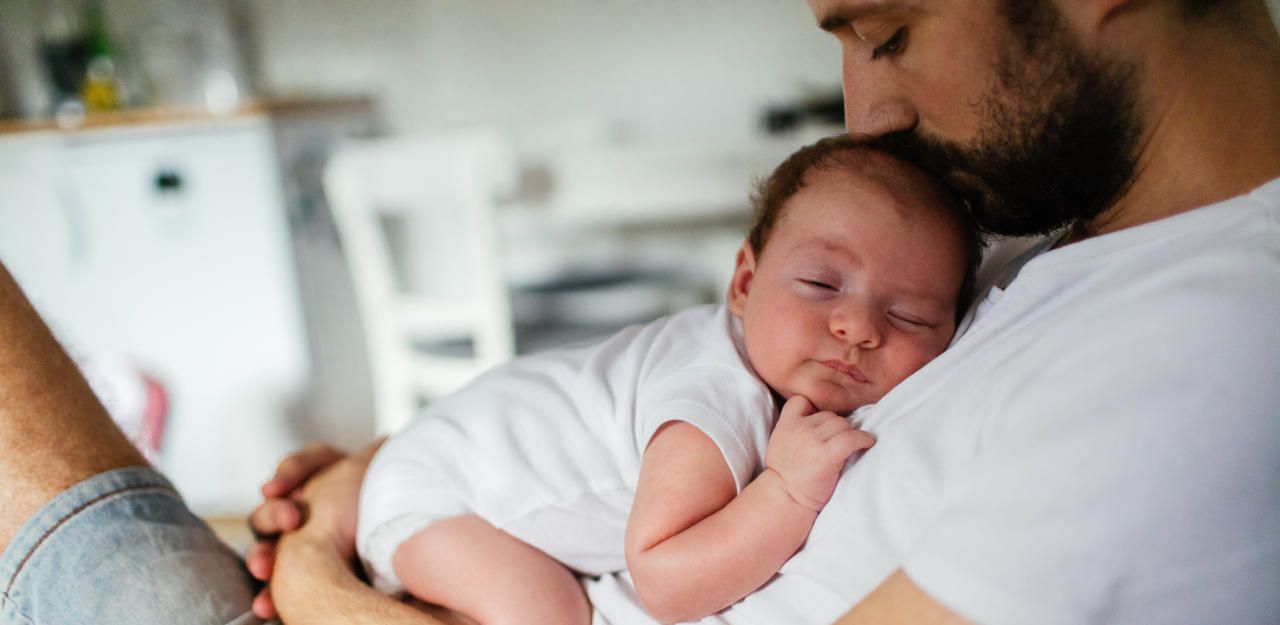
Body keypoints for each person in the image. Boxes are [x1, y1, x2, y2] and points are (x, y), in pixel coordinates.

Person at [1, 0, 1277, 624]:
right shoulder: (1035, 247)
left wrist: (320, 580)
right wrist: (365, 491)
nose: (867, 112)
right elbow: (633, 403)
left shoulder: (1200, 350)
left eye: (886, 30)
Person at [354, 136, 978, 625]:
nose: (858, 327)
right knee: (550, 612)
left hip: (448, 450)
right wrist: (787, 492)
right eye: (821, 284)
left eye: (910, 316)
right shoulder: (715, 397)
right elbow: (664, 583)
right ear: (744, 284)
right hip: (435, 494)